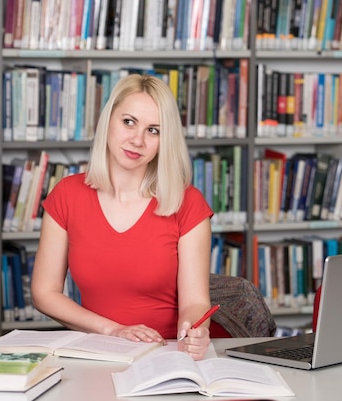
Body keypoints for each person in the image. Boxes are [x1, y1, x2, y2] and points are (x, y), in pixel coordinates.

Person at [31, 73, 214, 360]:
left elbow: (195, 302)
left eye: (153, 130)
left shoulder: (187, 202)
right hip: (96, 354)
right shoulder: (67, 194)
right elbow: (44, 292)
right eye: (128, 122)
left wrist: (195, 330)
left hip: (165, 357)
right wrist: (113, 330)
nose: (137, 140)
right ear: (108, 121)